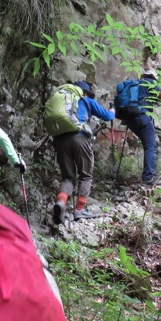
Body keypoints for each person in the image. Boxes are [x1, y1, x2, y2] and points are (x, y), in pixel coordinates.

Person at [51, 81, 115, 224]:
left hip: (60, 139)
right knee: (85, 175)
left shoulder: (63, 101)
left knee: (68, 177)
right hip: (79, 137)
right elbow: (107, 116)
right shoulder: (87, 100)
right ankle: (79, 209)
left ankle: (61, 202)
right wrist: (113, 110)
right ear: (85, 92)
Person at [123, 69, 161, 188]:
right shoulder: (150, 83)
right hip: (142, 117)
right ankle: (148, 177)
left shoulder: (134, 84)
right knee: (151, 146)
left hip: (130, 119)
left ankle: (148, 174)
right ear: (153, 77)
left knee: (148, 144)